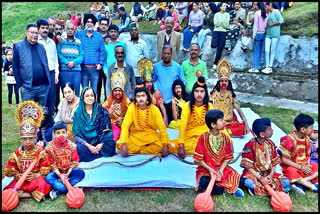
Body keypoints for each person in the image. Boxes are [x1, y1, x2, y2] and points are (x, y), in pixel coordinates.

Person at [3, 101, 51, 202]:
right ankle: (30, 194)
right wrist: (17, 175)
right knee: (7, 189)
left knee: (44, 184)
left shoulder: (40, 152)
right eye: (24, 139)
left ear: (35, 138)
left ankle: (22, 194)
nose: (28, 142)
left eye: (30, 138)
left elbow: (46, 167)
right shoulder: (17, 153)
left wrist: (37, 175)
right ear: (20, 140)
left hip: (35, 180)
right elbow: (9, 168)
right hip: (21, 181)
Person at [194, 109, 244, 197]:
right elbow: (199, 160)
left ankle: (224, 188)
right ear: (213, 125)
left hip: (223, 169)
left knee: (241, 180)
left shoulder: (225, 138)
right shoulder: (203, 137)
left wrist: (221, 170)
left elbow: (227, 158)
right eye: (221, 120)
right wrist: (210, 170)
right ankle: (226, 189)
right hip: (206, 170)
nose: (224, 122)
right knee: (204, 182)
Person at [177, 77, 230, 159]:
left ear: (205, 93)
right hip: (190, 137)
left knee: (215, 144)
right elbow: (182, 126)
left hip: (205, 136)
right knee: (188, 147)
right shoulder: (187, 106)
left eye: (202, 91)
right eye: (196, 91)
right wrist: (181, 144)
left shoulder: (209, 107)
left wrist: (229, 141)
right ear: (193, 93)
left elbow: (219, 124)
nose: (199, 94)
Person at [117, 82, 172, 157]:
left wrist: (165, 143)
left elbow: (162, 127)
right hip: (136, 137)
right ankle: (145, 150)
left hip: (151, 136)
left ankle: (140, 150)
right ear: (135, 98)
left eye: (143, 95)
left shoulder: (154, 109)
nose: (141, 98)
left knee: (162, 146)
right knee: (120, 146)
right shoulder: (132, 108)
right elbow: (125, 126)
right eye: (138, 96)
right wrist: (123, 143)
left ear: (147, 97)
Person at [240, 118, 291, 196]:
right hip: (254, 174)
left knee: (286, 181)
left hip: (267, 173)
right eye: (270, 129)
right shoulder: (250, 145)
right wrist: (260, 178)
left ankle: (259, 190)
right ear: (262, 134)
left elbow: (274, 162)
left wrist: (270, 175)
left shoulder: (271, 144)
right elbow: (248, 166)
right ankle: (257, 188)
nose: (272, 131)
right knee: (248, 182)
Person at [73, 87, 116, 162]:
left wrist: (101, 144)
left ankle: (94, 153)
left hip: (100, 141)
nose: (90, 98)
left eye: (92, 95)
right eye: (87, 96)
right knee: (78, 148)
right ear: (82, 98)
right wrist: (89, 146)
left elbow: (107, 129)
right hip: (86, 144)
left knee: (111, 144)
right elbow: (77, 136)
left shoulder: (101, 109)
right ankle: (96, 153)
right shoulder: (78, 113)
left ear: (95, 97)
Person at [279, 113, 318, 194]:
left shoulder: (306, 138)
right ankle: (309, 185)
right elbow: (284, 159)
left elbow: (307, 155)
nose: (312, 130)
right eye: (311, 128)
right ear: (303, 129)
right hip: (292, 166)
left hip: (303, 166)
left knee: (315, 166)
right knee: (290, 171)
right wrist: (300, 167)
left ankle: (303, 181)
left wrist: (307, 165)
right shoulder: (289, 140)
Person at [12, 24, 51, 107]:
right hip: (27, 88)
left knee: (41, 114)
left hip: (42, 88)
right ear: (26, 32)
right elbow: (15, 67)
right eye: (32, 32)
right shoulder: (19, 47)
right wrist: (19, 85)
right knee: (28, 115)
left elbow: (45, 65)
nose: (34, 35)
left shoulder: (41, 47)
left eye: (36, 33)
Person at [45, 121, 85, 200]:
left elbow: (74, 161)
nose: (61, 135)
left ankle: (59, 190)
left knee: (81, 173)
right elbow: (52, 164)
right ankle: (68, 187)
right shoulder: (49, 147)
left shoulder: (72, 146)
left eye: (63, 132)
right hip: (57, 173)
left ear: (67, 133)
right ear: (54, 135)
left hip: (68, 172)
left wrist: (67, 174)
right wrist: (60, 175)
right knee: (48, 178)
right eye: (58, 133)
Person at [210, 58, 250, 136]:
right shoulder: (213, 94)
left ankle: (221, 132)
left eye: (226, 81)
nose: (224, 83)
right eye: (222, 81)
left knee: (242, 128)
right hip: (216, 123)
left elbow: (238, 110)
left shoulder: (231, 95)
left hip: (228, 123)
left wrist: (246, 123)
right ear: (218, 83)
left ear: (229, 82)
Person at [75, 13, 106, 102]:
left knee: (94, 91)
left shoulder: (98, 36)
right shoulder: (78, 35)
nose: (89, 23)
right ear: (85, 23)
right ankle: (84, 110)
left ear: (94, 24)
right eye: (88, 22)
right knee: (84, 90)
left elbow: (102, 51)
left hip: (95, 69)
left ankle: (94, 111)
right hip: (83, 68)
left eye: (91, 22)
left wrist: (101, 63)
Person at [153, 45, 186, 124]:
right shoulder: (156, 66)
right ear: (162, 54)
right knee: (161, 124)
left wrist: (178, 92)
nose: (166, 56)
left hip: (173, 101)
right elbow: (152, 80)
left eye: (168, 53)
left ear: (171, 54)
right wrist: (156, 89)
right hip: (160, 101)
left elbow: (183, 81)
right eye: (164, 53)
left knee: (172, 124)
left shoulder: (177, 66)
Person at [37, 19, 60, 120]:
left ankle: (50, 122)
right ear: (38, 29)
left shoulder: (52, 42)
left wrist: (56, 73)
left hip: (51, 73)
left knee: (51, 98)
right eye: (43, 28)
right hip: (40, 74)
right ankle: (40, 122)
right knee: (41, 99)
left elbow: (55, 59)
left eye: (47, 28)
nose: (45, 30)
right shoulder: (36, 42)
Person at [139, 57, 168, 127]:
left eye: (150, 82)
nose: (149, 84)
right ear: (144, 83)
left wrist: (165, 117)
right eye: (147, 82)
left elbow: (162, 106)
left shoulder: (155, 94)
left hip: (155, 118)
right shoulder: (140, 95)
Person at [102, 69, 131, 141]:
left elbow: (131, 116)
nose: (117, 93)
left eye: (119, 90)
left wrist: (123, 122)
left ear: (122, 91)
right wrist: (109, 112)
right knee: (113, 136)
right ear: (112, 92)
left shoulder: (127, 102)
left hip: (124, 125)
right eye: (115, 90)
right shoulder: (108, 102)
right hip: (113, 126)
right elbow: (101, 117)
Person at [57, 22, 83, 97]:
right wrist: (66, 62)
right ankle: (66, 108)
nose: (70, 30)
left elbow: (81, 55)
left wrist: (73, 62)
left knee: (76, 93)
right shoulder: (61, 41)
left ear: (75, 30)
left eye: (72, 29)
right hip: (64, 71)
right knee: (66, 93)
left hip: (76, 71)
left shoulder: (78, 42)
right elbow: (58, 53)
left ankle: (75, 108)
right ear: (65, 30)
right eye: (68, 29)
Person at [261, 2, 284, 74]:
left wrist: (273, 24)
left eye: (266, 6)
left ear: (270, 5)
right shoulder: (268, 13)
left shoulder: (276, 11)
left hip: (275, 34)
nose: (266, 8)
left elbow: (281, 21)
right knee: (267, 50)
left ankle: (270, 67)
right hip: (268, 34)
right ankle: (267, 66)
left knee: (272, 50)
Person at [248, 2, 268, 73]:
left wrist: (253, 36)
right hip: (263, 33)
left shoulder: (257, 13)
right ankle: (257, 66)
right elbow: (265, 25)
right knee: (259, 51)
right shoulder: (265, 13)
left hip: (258, 34)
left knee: (256, 51)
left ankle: (255, 67)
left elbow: (255, 26)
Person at [211, 3, 230, 70]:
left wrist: (220, 23)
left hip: (223, 31)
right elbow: (216, 23)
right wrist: (222, 22)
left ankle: (215, 63)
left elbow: (226, 25)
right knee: (213, 45)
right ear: (220, 7)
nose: (225, 7)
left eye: (225, 6)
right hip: (216, 31)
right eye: (224, 6)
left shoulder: (227, 15)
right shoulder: (216, 14)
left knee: (220, 47)